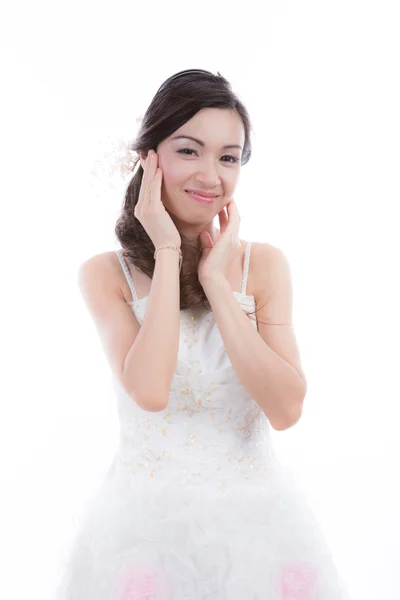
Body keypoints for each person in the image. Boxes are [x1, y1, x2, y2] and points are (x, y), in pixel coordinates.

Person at [56, 69, 349, 599]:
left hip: (261, 529)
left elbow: (286, 409)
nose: (211, 175)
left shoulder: (264, 267)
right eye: (189, 150)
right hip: (142, 532)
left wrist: (217, 282)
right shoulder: (105, 275)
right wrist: (167, 251)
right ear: (150, 158)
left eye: (229, 157)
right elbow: (149, 391)